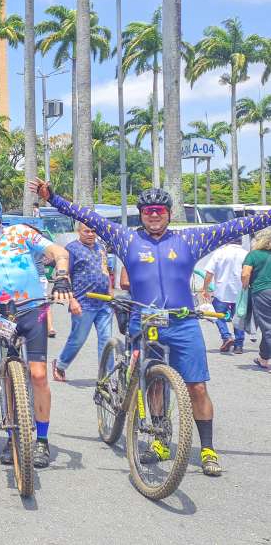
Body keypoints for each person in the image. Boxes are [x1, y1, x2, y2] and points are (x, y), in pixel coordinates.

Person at [32, 178, 271, 477]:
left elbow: (238, 227)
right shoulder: (126, 239)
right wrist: (53, 197)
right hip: (144, 321)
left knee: (197, 386)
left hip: (182, 322)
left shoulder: (190, 239)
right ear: (141, 214)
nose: (154, 215)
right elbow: (87, 216)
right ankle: (160, 441)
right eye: (147, 211)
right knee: (154, 383)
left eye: (159, 210)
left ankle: (208, 449)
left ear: (169, 213)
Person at [0, 194, 72, 468]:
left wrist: (63, 275)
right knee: (5, 375)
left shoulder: (20, 234)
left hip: (32, 310)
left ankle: (41, 440)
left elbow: (57, 251)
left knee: (39, 375)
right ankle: (12, 436)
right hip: (0, 315)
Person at [52, 222, 114, 382]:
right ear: (78, 231)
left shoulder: (101, 247)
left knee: (106, 340)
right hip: (83, 303)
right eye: (87, 231)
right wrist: (72, 301)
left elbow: (106, 270)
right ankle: (60, 364)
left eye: (94, 231)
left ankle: (107, 376)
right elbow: (65, 276)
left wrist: (111, 292)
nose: (91, 234)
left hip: (104, 303)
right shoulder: (71, 249)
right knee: (78, 339)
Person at [201, 238, 248, 354]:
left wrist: (205, 289)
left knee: (217, 315)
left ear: (227, 240)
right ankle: (238, 345)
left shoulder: (220, 253)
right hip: (240, 291)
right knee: (239, 317)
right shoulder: (246, 254)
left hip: (222, 291)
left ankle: (226, 336)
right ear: (240, 242)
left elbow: (209, 272)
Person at [244, 229, 271, 370]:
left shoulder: (253, 255)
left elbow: (245, 274)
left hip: (262, 292)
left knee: (267, 327)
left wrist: (244, 287)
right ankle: (264, 358)